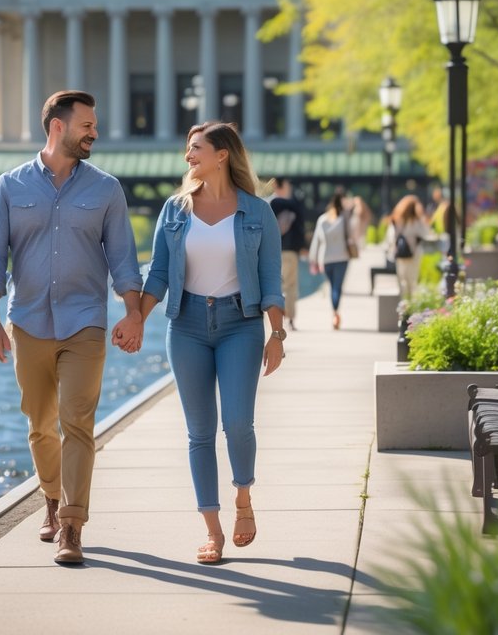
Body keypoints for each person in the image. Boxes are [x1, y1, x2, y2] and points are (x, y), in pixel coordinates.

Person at [0, 90, 145, 565]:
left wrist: (133, 313)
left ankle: (71, 525)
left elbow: (124, 261)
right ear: (57, 127)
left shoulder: (106, 190)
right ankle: (50, 499)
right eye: (87, 125)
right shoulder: (8, 187)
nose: (95, 132)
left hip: (85, 322)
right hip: (27, 322)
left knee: (77, 421)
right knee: (40, 423)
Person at [139, 122, 285, 565]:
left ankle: (243, 498)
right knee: (199, 433)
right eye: (188, 149)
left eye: (196, 148)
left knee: (238, 423)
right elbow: (159, 273)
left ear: (222, 154)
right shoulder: (175, 210)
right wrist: (135, 318)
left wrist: (276, 333)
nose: (188, 156)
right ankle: (212, 532)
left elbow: (271, 280)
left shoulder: (257, 212)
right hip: (185, 326)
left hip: (240, 323)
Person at [310, 192, 355, 330]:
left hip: (326, 259)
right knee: (337, 287)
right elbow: (351, 236)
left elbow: (316, 241)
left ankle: (334, 313)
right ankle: (335, 313)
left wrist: (314, 259)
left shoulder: (322, 220)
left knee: (332, 287)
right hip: (341, 257)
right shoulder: (344, 218)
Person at [269, 177, 307, 331]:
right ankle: (290, 319)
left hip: (273, 251)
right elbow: (300, 228)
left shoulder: (269, 204)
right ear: (284, 186)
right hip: (290, 250)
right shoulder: (293, 205)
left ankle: (275, 319)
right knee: (290, 285)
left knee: (275, 285)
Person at [385, 195, 428, 299]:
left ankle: (404, 304)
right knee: (413, 280)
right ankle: (412, 303)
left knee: (402, 279)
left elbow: (390, 237)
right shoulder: (417, 221)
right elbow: (425, 233)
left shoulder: (396, 220)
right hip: (414, 254)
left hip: (400, 253)